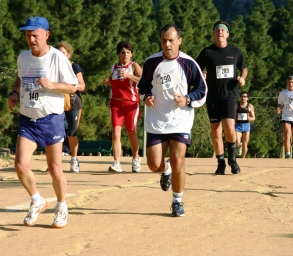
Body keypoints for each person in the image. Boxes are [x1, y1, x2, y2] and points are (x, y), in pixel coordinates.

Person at [8, 16, 78, 228]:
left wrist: (52, 84)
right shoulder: (23, 57)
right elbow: (20, 77)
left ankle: (62, 207)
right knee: (20, 165)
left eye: (35, 35)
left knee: (55, 168)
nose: (31, 40)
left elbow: (73, 87)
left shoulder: (57, 58)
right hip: (28, 119)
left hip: (51, 119)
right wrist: (14, 92)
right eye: (28, 36)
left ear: (46, 35)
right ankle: (37, 200)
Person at [137, 23, 207, 217]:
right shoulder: (151, 62)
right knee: (153, 165)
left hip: (180, 120)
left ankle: (177, 201)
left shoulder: (189, 63)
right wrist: (146, 97)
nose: (167, 44)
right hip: (156, 121)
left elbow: (202, 90)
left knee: (178, 160)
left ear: (179, 41)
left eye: (171, 40)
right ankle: (164, 170)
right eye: (163, 41)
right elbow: (142, 87)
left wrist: (188, 99)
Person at [196, 20, 247, 175]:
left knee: (229, 126)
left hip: (230, 94)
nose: (220, 32)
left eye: (223, 30)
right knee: (215, 129)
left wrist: (242, 77)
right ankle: (220, 162)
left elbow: (244, 68)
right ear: (213, 34)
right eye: (217, 30)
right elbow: (196, 67)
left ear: (227, 34)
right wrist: (202, 74)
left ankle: (232, 160)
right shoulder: (207, 52)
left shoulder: (236, 51)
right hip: (212, 95)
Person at [103, 41, 142, 173]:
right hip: (116, 104)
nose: (125, 54)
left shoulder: (134, 65)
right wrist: (108, 82)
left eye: (128, 52)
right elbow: (116, 83)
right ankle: (116, 163)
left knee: (131, 132)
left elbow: (144, 80)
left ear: (131, 54)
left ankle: (136, 159)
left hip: (131, 103)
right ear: (118, 54)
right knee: (115, 133)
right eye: (122, 52)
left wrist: (129, 75)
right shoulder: (114, 67)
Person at [55, 41, 86, 172]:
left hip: (72, 103)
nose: (60, 56)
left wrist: (70, 85)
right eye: (58, 53)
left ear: (68, 55)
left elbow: (82, 86)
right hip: (56, 103)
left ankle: (74, 159)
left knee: (71, 133)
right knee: (55, 133)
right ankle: (55, 163)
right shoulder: (52, 67)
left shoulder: (74, 67)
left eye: (63, 53)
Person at [235, 91, 255, 158]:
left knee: (245, 144)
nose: (243, 98)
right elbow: (234, 116)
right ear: (240, 97)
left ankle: (243, 158)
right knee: (237, 140)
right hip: (238, 125)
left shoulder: (250, 106)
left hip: (246, 126)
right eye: (242, 96)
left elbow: (253, 117)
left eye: (245, 97)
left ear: (247, 98)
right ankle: (239, 145)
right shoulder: (237, 105)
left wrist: (250, 118)